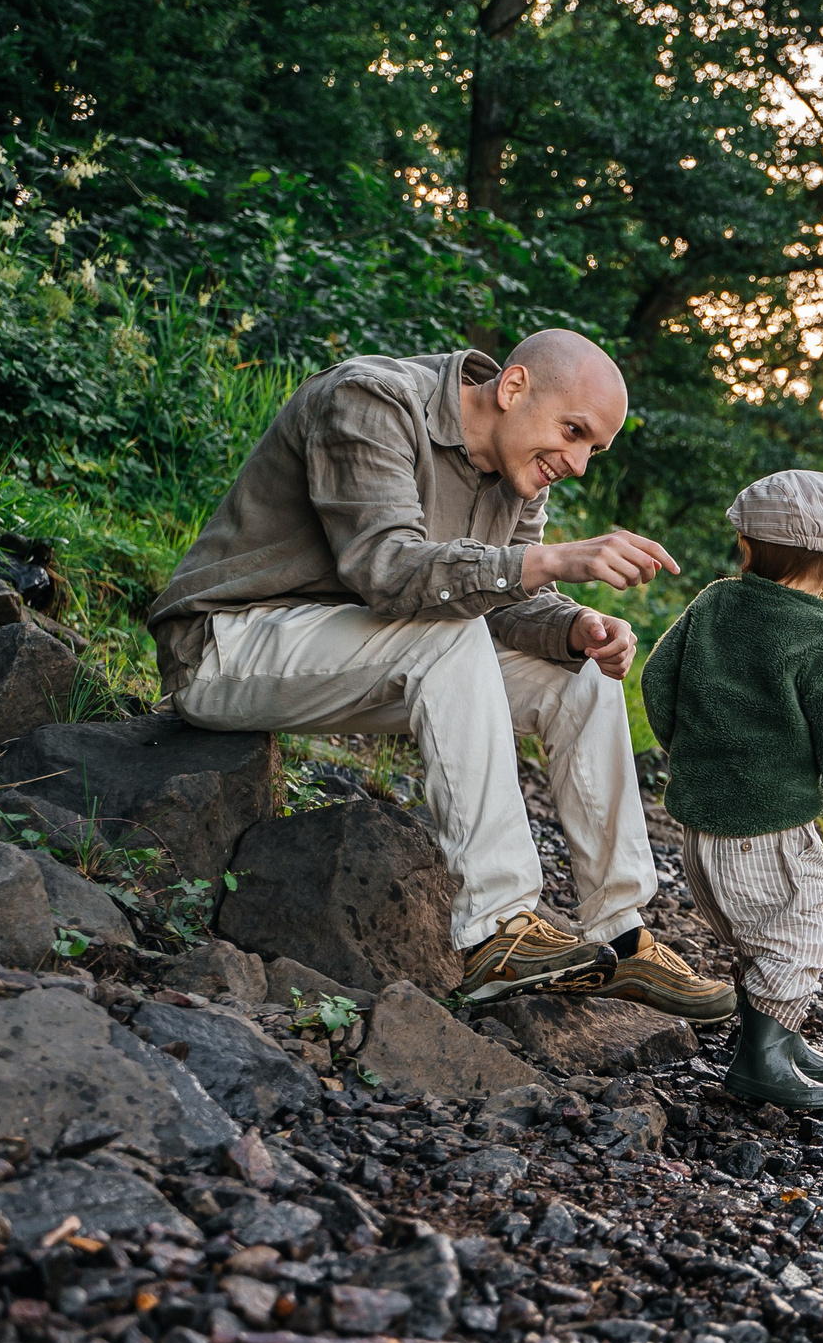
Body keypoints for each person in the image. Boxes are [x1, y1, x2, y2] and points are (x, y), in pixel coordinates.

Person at [147, 331, 735, 1023]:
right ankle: (497, 927)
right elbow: (387, 570)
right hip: (228, 645)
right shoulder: (371, 400)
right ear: (513, 389)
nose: (575, 463)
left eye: (593, 451)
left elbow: (508, 594)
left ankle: (621, 932)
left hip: (357, 655)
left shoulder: (520, 470)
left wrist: (576, 629)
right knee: (451, 636)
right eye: (573, 432)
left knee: (581, 676)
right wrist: (552, 563)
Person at [639, 469, 823, 1111]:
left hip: (704, 830)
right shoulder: (819, 636)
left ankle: (781, 1039)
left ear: (745, 546)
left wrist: (697, 753)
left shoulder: (714, 603)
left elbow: (659, 681)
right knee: (803, 933)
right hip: (763, 829)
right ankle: (760, 1061)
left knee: (761, 937)